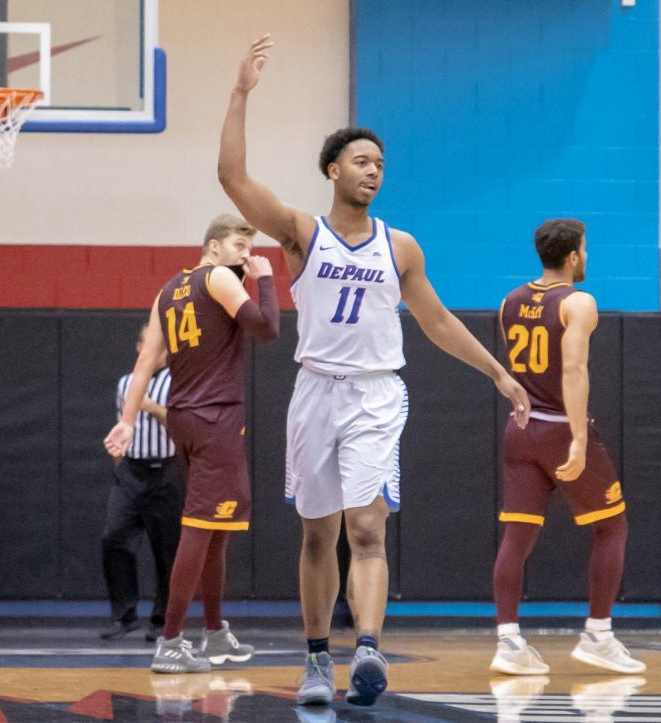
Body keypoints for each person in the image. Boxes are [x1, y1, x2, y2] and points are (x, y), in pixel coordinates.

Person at [217, 34, 531, 708]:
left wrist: (498, 373)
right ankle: (314, 659)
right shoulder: (303, 232)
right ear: (332, 169)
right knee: (317, 533)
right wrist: (241, 92)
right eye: (361, 161)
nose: (374, 171)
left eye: (380, 164)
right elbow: (234, 182)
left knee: (367, 527)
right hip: (315, 392)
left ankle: (367, 647)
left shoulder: (402, 246)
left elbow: (438, 321)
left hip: (377, 394)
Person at [104, 214, 280, 674]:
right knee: (200, 530)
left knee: (215, 531)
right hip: (215, 418)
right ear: (214, 246)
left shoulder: (167, 290)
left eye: (250, 246)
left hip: (184, 420)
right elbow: (267, 328)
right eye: (240, 244)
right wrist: (265, 281)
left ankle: (216, 633)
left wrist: (127, 421)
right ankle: (170, 642)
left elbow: (146, 360)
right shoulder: (220, 277)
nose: (246, 253)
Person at [490, 218, 646, 676]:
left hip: (520, 430)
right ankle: (598, 634)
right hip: (559, 427)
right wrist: (578, 438)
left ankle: (508, 642)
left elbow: (523, 374)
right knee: (612, 527)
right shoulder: (579, 302)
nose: (587, 256)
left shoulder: (508, 301)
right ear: (574, 255)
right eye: (586, 249)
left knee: (517, 537)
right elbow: (573, 370)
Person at [100, 324, 182, 642]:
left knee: (168, 549)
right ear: (140, 347)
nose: (161, 351)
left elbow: (180, 424)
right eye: (154, 345)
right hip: (131, 471)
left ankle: (162, 620)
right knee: (113, 537)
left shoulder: (179, 381)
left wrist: (149, 407)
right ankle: (124, 615)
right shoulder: (126, 383)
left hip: (167, 472)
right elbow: (122, 426)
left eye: (165, 346)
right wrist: (120, 464)